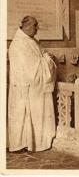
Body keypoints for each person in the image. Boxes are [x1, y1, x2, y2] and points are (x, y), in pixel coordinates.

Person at [8, 16, 57, 152]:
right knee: (22, 114)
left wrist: (44, 57)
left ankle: (28, 143)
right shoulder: (20, 44)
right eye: (35, 25)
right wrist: (47, 59)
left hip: (29, 87)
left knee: (24, 115)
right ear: (27, 26)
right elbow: (33, 69)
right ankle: (23, 144)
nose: (37, 29)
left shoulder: (29, 41)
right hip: (27, 86)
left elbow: (36, 60)